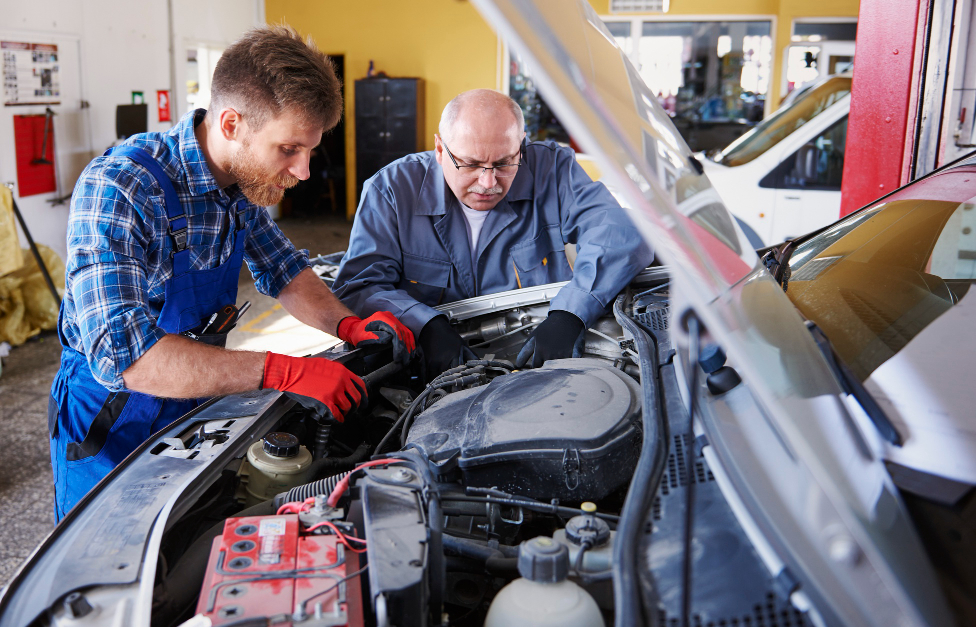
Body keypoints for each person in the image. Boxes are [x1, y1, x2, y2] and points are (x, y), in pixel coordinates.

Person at [48, 25, 414, 521]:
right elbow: (126, 358)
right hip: (109, 420)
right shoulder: (121, 188)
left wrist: (346, 325)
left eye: (310, 150)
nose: (304, 171)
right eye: (288, 149)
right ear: (230, 124)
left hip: (194, 402)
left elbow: (283, 269)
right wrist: (283, 371)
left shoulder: (238, 186)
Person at [333, 89, 652, 379]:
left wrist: (570, 314)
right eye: (470, 165)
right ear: (440, 149)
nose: (488, 183)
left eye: (504, 162)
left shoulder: (552, 169)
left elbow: (621, 234)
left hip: (536, 367)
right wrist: (424, 326)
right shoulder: (391, 190)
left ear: (522, 146)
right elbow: (360, 285)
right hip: (430, 374)